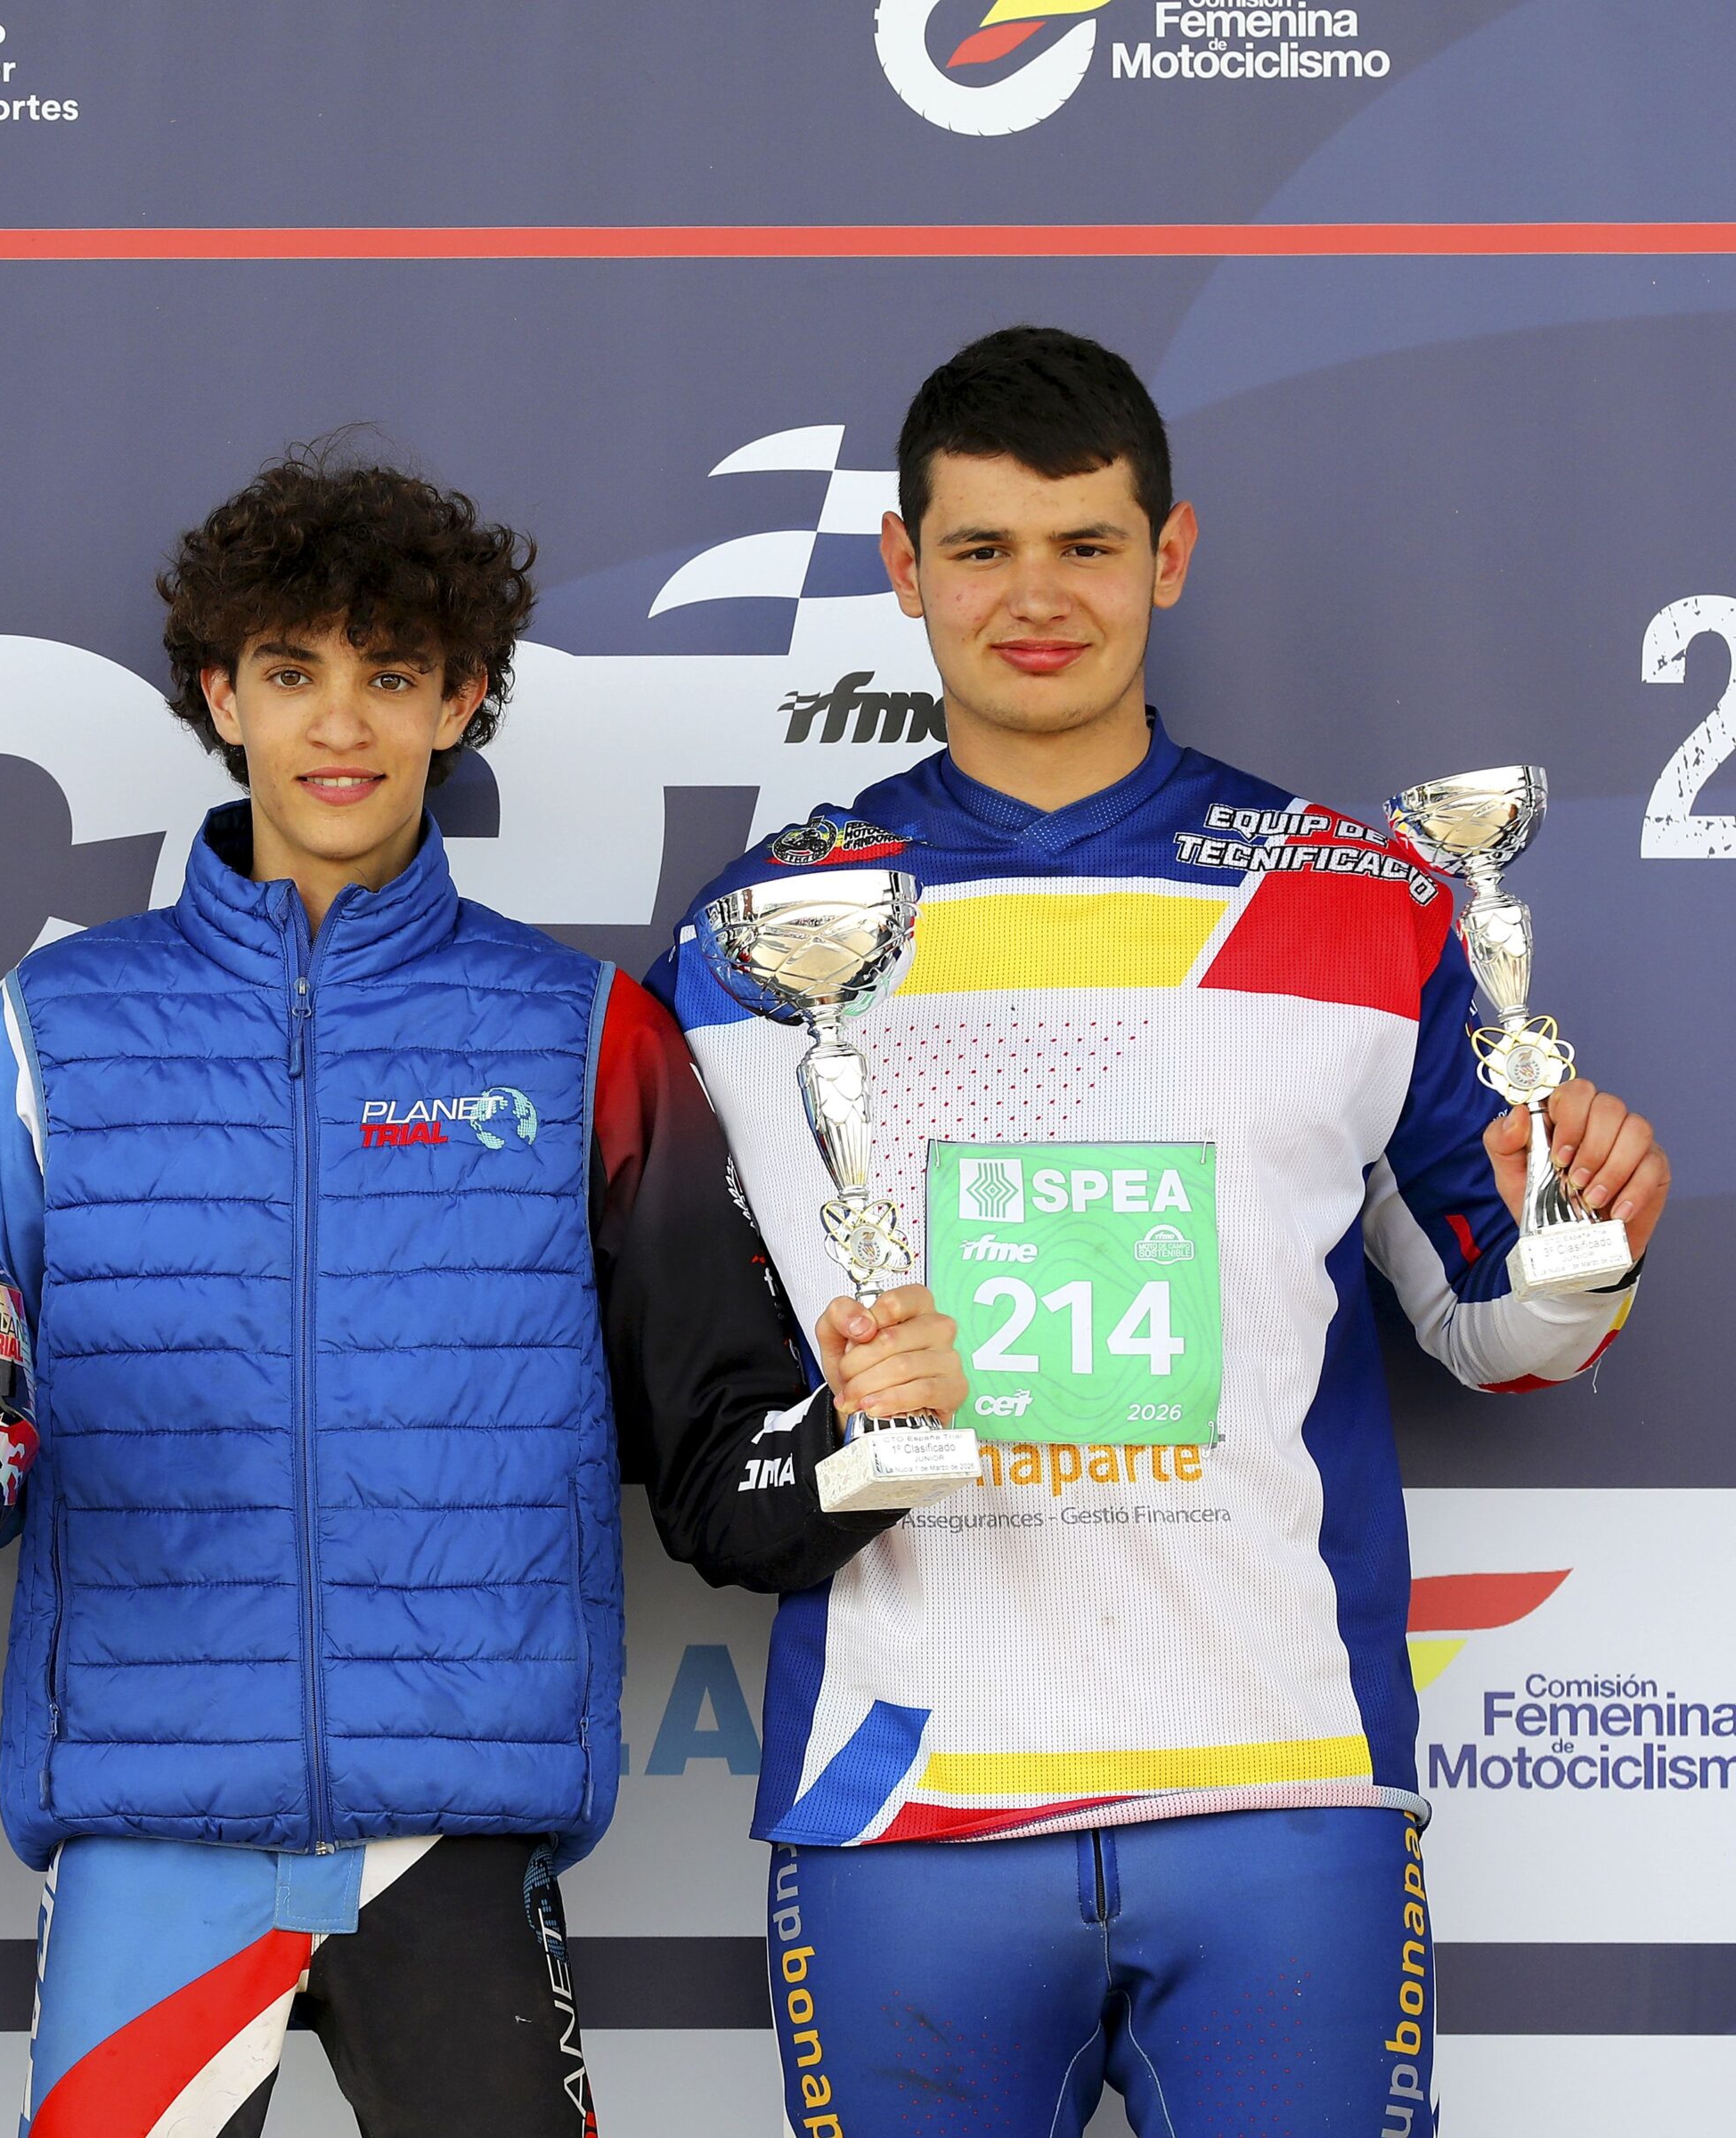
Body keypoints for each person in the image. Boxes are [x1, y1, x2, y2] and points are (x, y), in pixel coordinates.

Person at [651, 326, 1669, 2137]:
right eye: (981, 549)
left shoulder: (1364, 900)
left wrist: (1581, 1241)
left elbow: (1499, 1335)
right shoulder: (757, 943)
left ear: (1169, 556)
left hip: (1284, 1787)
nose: (1036, 597)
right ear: (902, 566)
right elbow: (708, 1419)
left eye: (1087, 546)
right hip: (910, 1808)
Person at [0, 445, 966, 2137]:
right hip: (146, 1832)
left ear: (462, 698)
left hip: (456, 1836)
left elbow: (725, 1470)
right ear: (222, 696)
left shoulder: (581, 1034)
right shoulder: (58, 1027)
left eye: (392, 674)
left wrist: (859, 1438)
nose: (340, 725)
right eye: (293, 674)